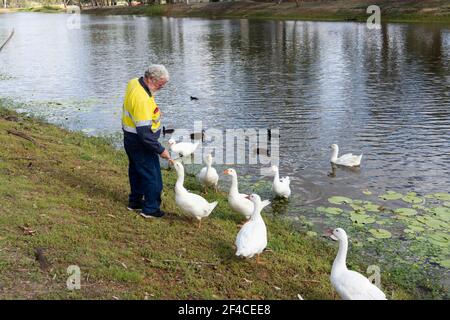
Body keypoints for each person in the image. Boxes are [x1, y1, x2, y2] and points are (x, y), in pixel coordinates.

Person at [122, 64, 173, 218]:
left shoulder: (134, 82)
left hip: (129, 138)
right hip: (140, 142)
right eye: (160, 85)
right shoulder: (142, 99)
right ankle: (151, 209)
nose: (161, 88)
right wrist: (161, 150)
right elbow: (144, 134)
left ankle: (135, 202)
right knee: (153, 175)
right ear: (150, 79)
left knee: (136, 171)